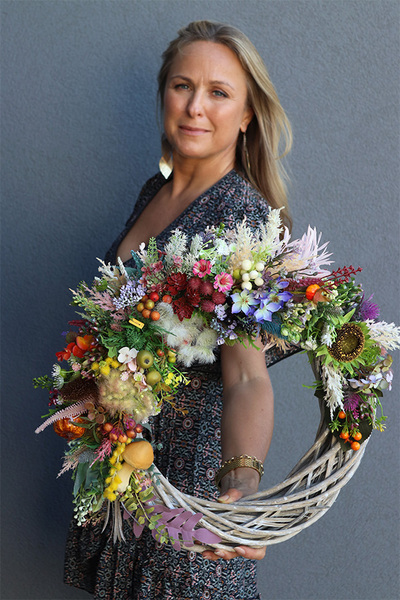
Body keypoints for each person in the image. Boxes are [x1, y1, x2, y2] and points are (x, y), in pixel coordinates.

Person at [64, 20, 292, 599]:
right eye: (182, 86)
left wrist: (241, 483)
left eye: (219, 92)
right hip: (128, 475)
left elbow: (246, 377)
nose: (195, 107)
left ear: (247, 115)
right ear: (164, 93)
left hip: (187, 492)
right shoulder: (155, 191)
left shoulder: (240, 218)